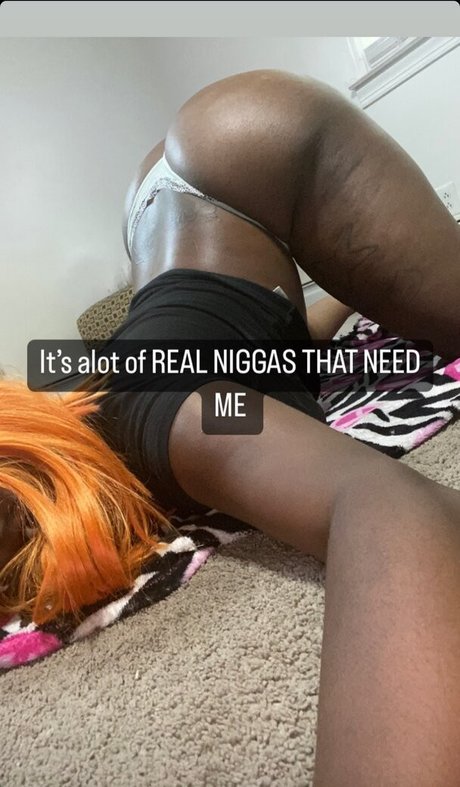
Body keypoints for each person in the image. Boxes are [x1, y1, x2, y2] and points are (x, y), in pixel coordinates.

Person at [1, 70, 460, 785]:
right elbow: (272, 358)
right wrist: (353, 300)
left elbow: (385, 503)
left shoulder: (182, 416)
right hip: (171, 217)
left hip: (249, 153)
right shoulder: (131, 406)